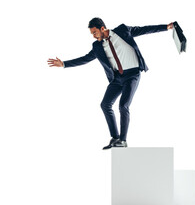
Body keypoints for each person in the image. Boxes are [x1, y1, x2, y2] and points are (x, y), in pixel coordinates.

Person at [48, 17, 173, 149]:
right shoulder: (97, 46)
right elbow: (85, 59)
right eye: (92, 34)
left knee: (123, 106)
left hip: (132, 75)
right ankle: (115, 138)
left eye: (95, 32)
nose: (93, 36)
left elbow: (144, 30)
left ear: (102, 28)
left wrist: (166, 27)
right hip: (117, 79)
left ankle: (123, 141)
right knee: (105, 104)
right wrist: (64, 64)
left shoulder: (123, 31)